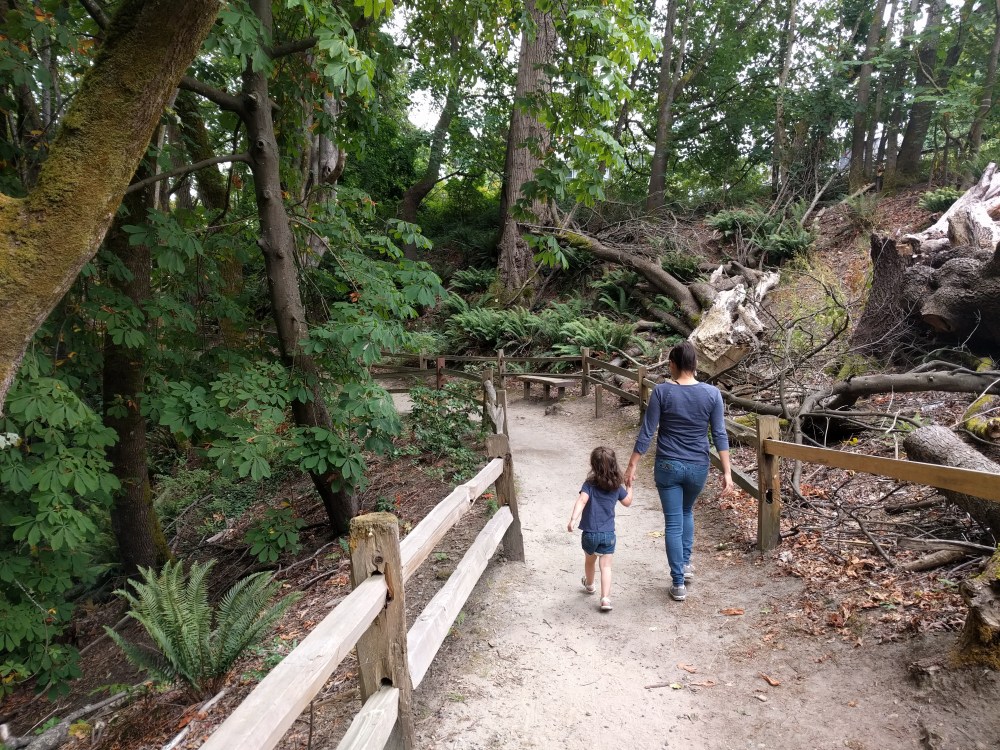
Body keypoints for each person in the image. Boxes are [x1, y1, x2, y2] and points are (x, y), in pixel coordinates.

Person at [624, 341, 734, 602]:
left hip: (668, 466)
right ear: (695, 366)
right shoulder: (712, 394)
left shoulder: (661, 392)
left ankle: (678, 582)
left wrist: (632, 465)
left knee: (673, 522)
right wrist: (727, 473)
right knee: (687, 512)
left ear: (673, 365)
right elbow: (719, 434)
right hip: (698, 466)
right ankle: (685, 565)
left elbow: (647, 432)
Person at [567, 446, 633, 612]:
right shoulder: (616, 487)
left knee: (590, 562)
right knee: (606, 566)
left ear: (593, 465)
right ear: (614, 465)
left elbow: (582, 501)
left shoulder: (589, 484)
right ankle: (605, 599)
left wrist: (573, 519)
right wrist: (629, 486)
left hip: (590, 534)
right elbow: (628, 502)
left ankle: (589, 585)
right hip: (608, 535)